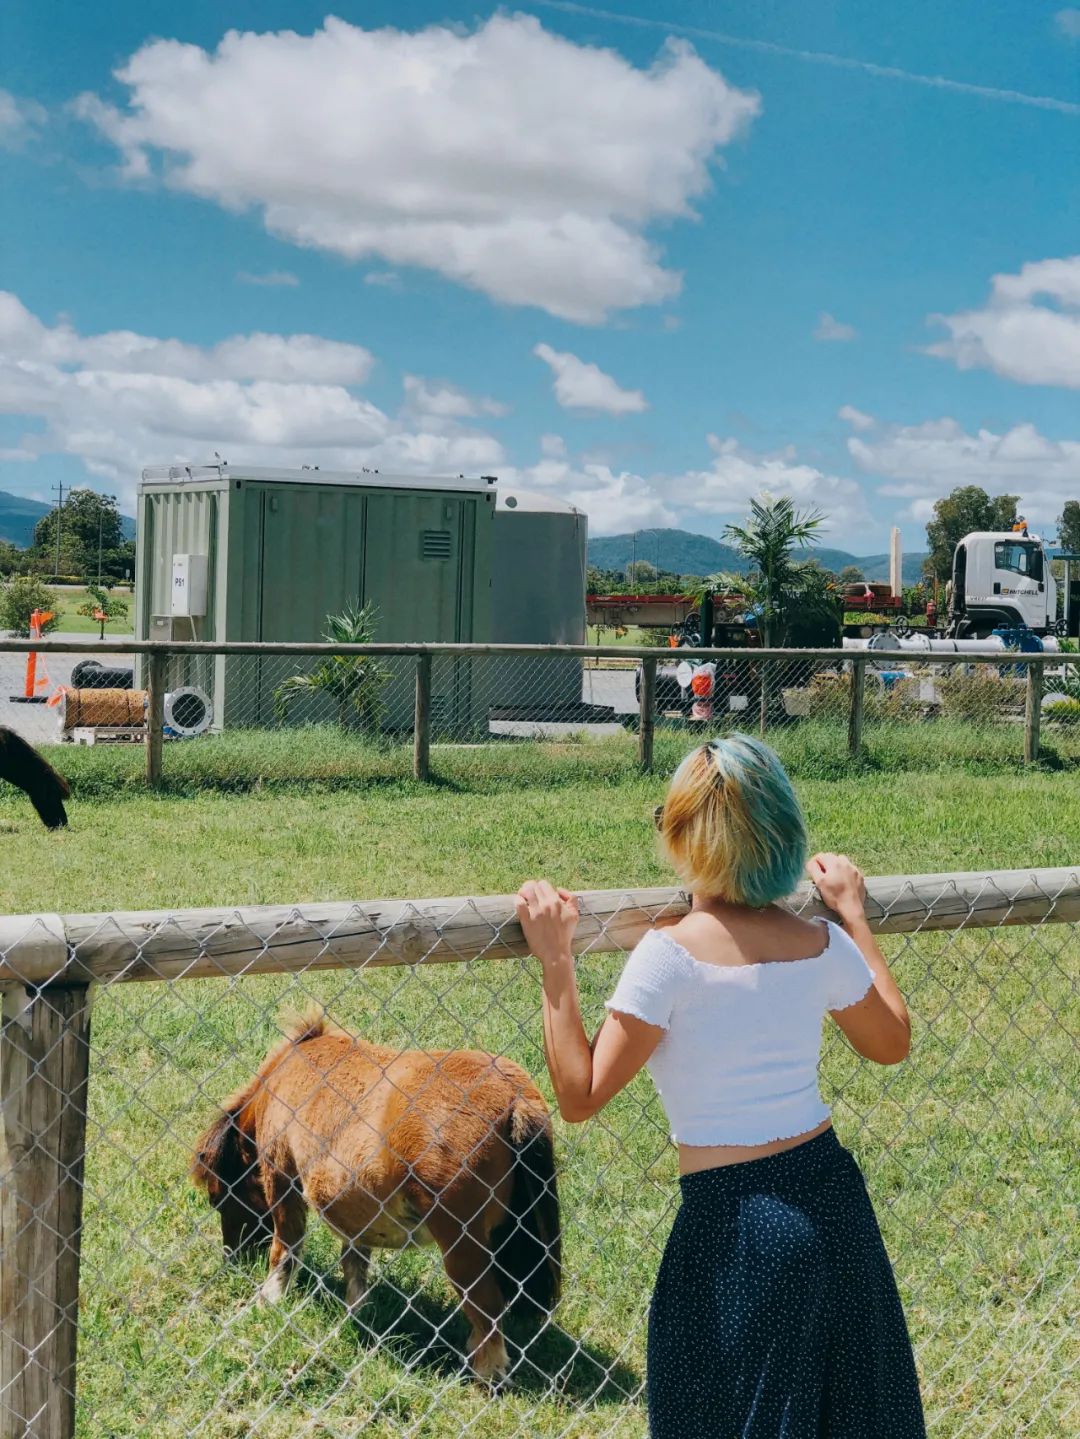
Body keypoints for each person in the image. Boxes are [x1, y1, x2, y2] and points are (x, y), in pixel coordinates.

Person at [516, 734, 925, 1437]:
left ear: (684, 837)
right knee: (852, 1415)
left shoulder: (669, 956)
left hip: (735, 1220)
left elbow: (580, 1095)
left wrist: (556, 958)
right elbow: (892, 1041)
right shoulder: (820, 943)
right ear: (781, 833)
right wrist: (852, 914)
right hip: (834, 1202)